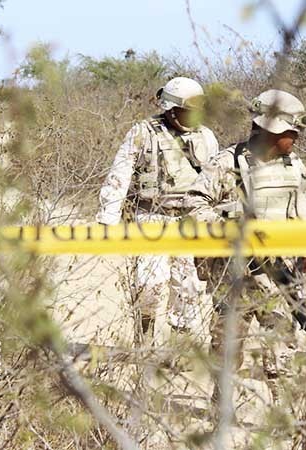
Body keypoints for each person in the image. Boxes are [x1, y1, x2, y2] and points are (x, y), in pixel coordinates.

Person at [186, 89, 306, 405]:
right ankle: (222, 401)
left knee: (283, 335)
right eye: (290, 132)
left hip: (279, 270)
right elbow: (193, 205)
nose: (295, 138)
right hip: (233, 270)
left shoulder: (295, 166)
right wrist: (229, 218)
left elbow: (303, 211)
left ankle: (284, 407)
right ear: (271, 130)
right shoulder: (226, 163)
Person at [96, 76, 220, 342]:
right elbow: (120, 173)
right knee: (150, 284)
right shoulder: (143, 132)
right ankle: (145, 338)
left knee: (188, 288)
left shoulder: (206, 137)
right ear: (172, 110)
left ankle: (180, 346)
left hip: (190, 220)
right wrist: (108, 218)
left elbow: (216, 180)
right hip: (151, 216)